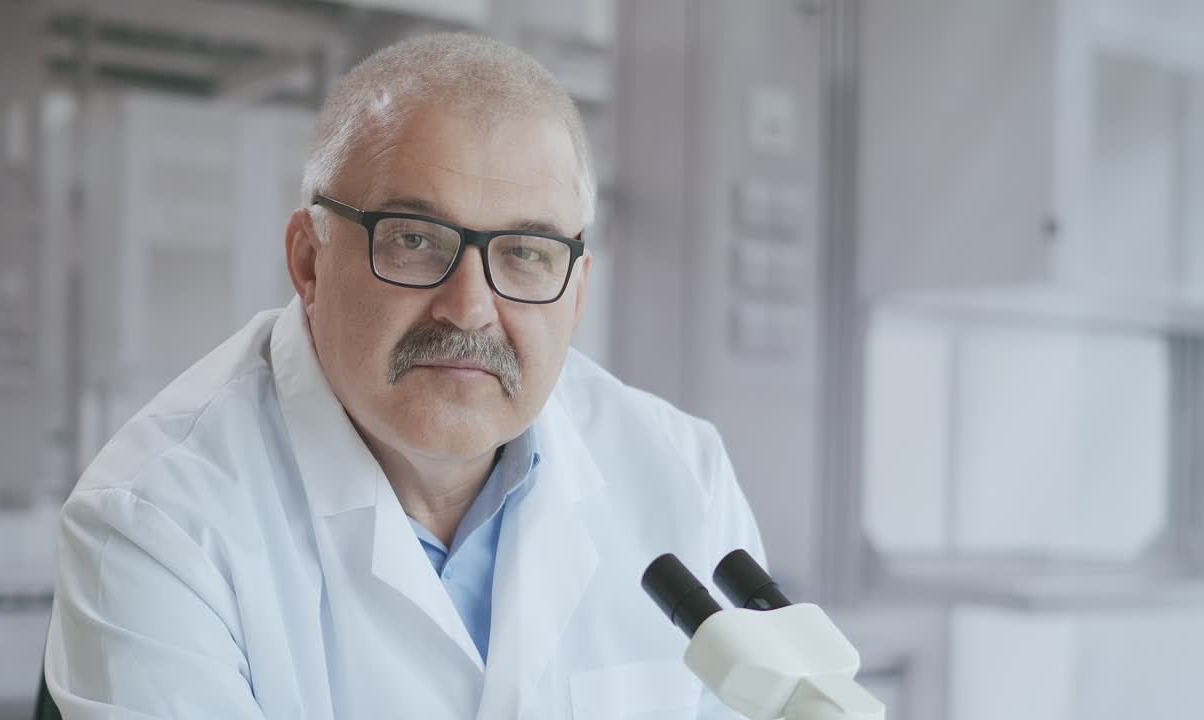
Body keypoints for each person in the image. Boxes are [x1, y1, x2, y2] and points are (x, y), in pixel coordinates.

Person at [44, 33, 765, 719]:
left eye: (526, 252)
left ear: (576, 293)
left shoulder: (682, 476)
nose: (471, 309)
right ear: (309, 262)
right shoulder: (155, 523)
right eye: (415, 241)